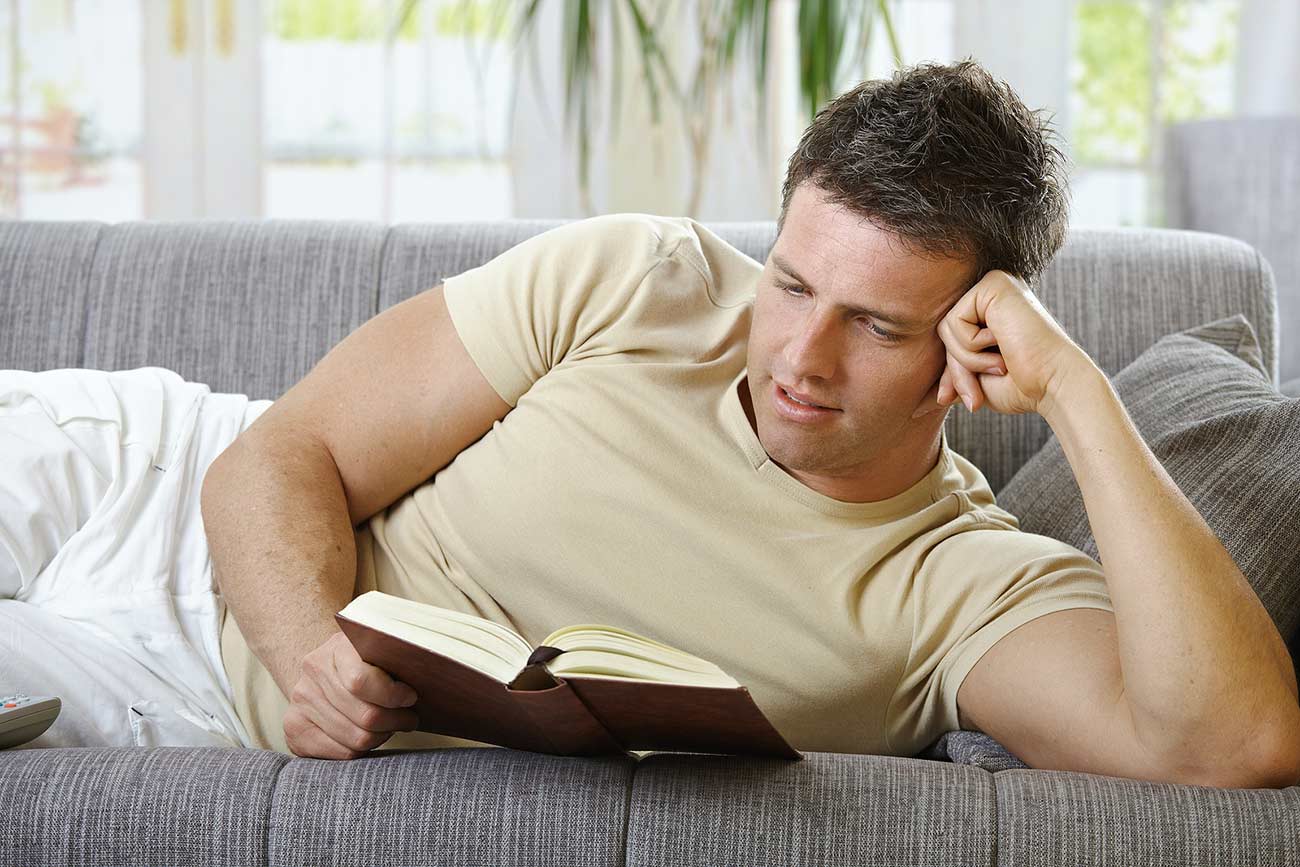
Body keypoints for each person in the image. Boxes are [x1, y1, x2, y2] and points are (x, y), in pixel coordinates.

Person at [4, 60, 1297, 787]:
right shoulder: (643, 277)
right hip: (154, 483)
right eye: (790, 282)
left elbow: (1231, 750)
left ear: (974, 340)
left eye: (880, 325)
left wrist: (1078, 391)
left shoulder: (954, 586)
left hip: (179, 696)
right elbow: (284, 453)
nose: (800, 352)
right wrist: (300, 651)